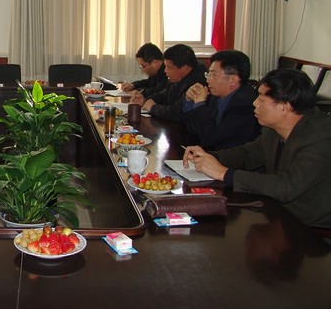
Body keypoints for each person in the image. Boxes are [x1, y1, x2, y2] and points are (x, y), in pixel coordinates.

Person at [183, 69, 331, 228]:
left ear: (285, 106)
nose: (254, 103)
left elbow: (286, 186)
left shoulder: (321, 138)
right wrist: (209, 157)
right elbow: (248, 154)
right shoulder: (273, 128)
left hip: (310, 228)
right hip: (277, 213)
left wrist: (223, 173)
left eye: (261, 98)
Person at [182, 49, 260, 150]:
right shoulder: (217, 95)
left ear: (233, 80)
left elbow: (209, 138)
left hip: (231, 157)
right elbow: (193, 128)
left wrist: (199, 104)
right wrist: (189, 101)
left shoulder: (246, 105)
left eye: (213, 75)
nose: (208, 80)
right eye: (208, 74)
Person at [130, 43, 207, 122]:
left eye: (168, 67)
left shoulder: (196, 84)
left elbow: (177, 112)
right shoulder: (177, 78)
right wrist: (145, 100)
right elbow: (165, 94)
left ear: (185, 68)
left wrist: (153, 107)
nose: (165, 70)